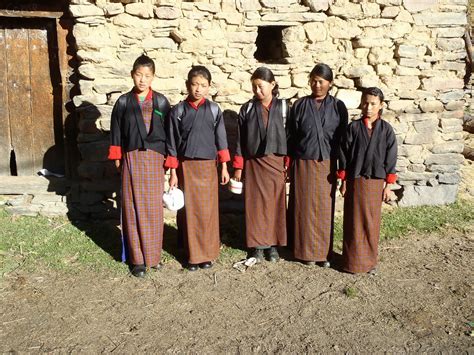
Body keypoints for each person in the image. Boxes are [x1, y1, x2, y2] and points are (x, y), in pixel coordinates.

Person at [108, 54, 171, 278]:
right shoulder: (124, 102)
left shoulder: (161, 101)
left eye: (147, 76)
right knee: (132, 206)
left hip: (155, 159)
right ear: (132, 75)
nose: (142, 80)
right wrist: (117, 156)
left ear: (153, 77)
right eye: (138, 75)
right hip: (131, 157)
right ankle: (137, 260)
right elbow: (116, 130)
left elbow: (169, 132)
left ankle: (153, 257)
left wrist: (170, 159)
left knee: (153, 208)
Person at [165, 65, 230, 271]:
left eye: (203, 85)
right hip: (186, 167)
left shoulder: (213, 110)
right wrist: (173, 172)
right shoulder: (178, 111)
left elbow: (221, 139)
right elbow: (172, 144)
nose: (198, 89)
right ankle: (192, 254)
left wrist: (225, 167)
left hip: (209, 167)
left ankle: (208, 253)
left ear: (209, 87)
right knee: (190, 210)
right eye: (194, 84)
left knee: (208, 210)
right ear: (187, 85)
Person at [287, 63, 348, 267]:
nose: (317, 85)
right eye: (313, 80)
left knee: (323, 207)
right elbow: (292, 135)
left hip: (327, 164)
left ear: (329, 83)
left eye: (321, 81)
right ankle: (304, 252)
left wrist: (341, 168)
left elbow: (342, 138)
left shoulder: (338, 107)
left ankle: (323, 253)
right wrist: (290, 160)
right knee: (303, 206)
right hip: (303, 162)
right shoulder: (300, 105)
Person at [232, 67, 289, 263]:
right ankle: (256, 246)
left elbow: (290, 136)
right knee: (255, 205)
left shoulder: (283, 108)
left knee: (275, 204)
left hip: (275, 163)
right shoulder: (247, 108)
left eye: (261, 86)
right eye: (254, 87)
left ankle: (272, 245)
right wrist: (238, 167)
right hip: (254, 164)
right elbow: (240, 140)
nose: (257, 91)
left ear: (272, 85)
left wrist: (287, 163)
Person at [338, 87, 397, 275]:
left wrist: (388, 185)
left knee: (371, 222)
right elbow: (344, 155)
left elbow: (391, 158)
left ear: (381, 105)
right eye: (365, 103)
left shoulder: (386, 130)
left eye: (373, 104)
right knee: (354, 221)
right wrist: (344, 180)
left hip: (375, 183)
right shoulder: (353, 128)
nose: (368, 107)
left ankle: (370, 263)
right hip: (355, 181)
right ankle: (351, 263)